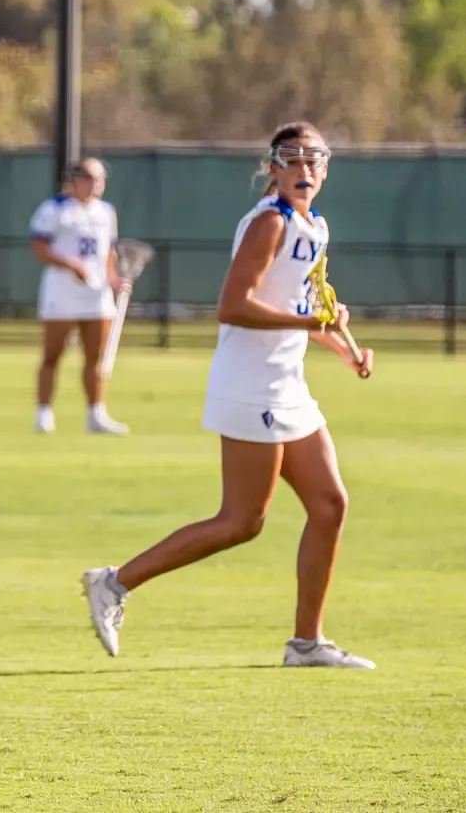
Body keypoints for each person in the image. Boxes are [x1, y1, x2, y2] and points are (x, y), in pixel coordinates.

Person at [81, 121, 377, 669]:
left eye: (314, 159)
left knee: (330, 504)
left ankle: (306, 644)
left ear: (326, 168)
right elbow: (234, 306)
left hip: (287, 385)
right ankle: (114, 583)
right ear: (273, 168)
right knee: (242, 522)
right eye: (292, 159)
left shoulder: (315, 226)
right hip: (250, 385)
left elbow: (296, 306)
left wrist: (341, 347)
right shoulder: (270, 223)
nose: (304, 169)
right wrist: (309, 320)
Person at [29, 158, 132, 435]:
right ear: (74, 179)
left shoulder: (106, 212)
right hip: (61, 292)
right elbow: (39, 248)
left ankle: (96, 414)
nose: (95, 185)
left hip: (96, 294)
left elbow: (108, 253)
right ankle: (43, 413)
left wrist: (114, 280)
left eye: (99, 179)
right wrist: (70, 265)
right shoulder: (55, 209)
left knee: (96, 357)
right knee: (53, 354)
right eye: (89, 178)